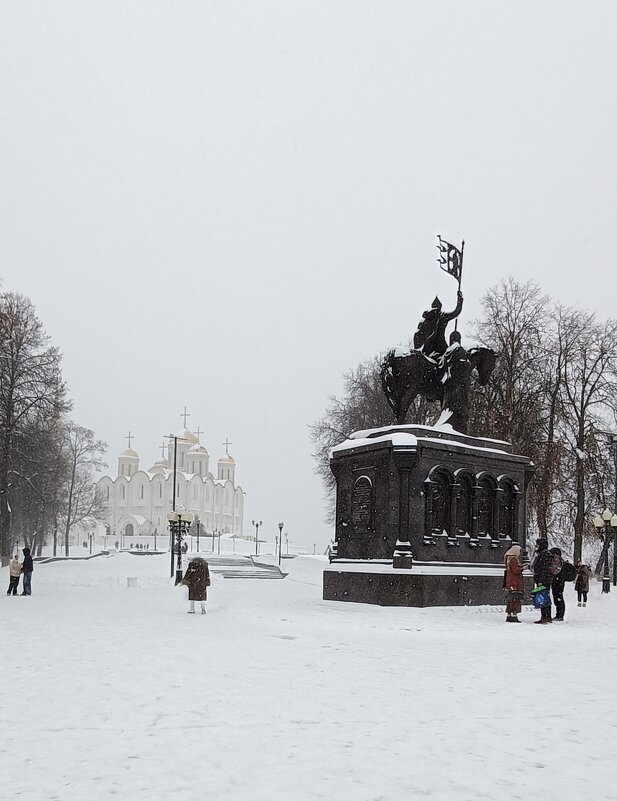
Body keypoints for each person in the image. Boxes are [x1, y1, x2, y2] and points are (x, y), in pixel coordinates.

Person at [532, 537, 554, 624]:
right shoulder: (545, 554)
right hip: (545, 580)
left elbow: (543, 569)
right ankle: (548, 617)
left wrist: (540, 580)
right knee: (545, 597)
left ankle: (544, 617)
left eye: (537, 545)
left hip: (543, 580)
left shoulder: (544, 555)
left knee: (542, 598)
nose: (536, 547)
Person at [503, 544, 524, 622]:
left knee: (510, 599)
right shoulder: (514, 559)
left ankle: (509, 614)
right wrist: (522, 568)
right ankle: (513, 615)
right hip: (515, 582)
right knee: (515, 599)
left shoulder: (508, 558)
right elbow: (516, 570)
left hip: (510, 581)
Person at [549, 547, 566, 621]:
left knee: (558, 598)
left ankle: (559, 615)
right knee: (558, 597)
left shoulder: (557, 561)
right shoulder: (560, 561)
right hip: (559, 582)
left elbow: (555, 571)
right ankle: (559, 614)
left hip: (557, 582)